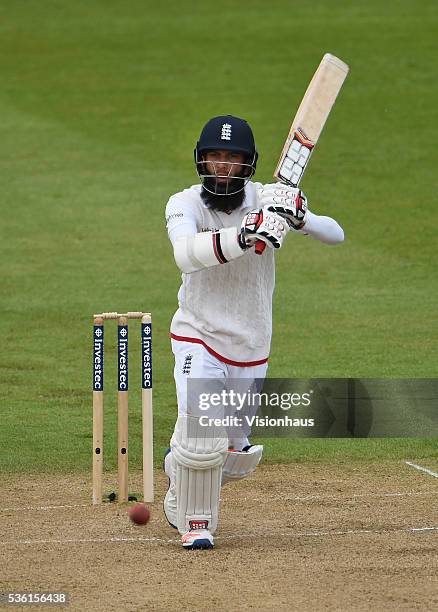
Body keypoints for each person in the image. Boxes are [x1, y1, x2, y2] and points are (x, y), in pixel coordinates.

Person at [163, 115, 344, 550]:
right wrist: (245, 234)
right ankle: (196, 522)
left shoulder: (269, 197)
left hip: (251, 340)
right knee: (201, 427)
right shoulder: (184, 203)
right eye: (214, 157)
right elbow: (186, 254)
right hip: (197, 332)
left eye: (232, 158)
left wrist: (299, 217)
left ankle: (179, 470)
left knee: (235, 453)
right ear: (201, 160)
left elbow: (335, 234)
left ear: (247, 164)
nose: (222, 166)